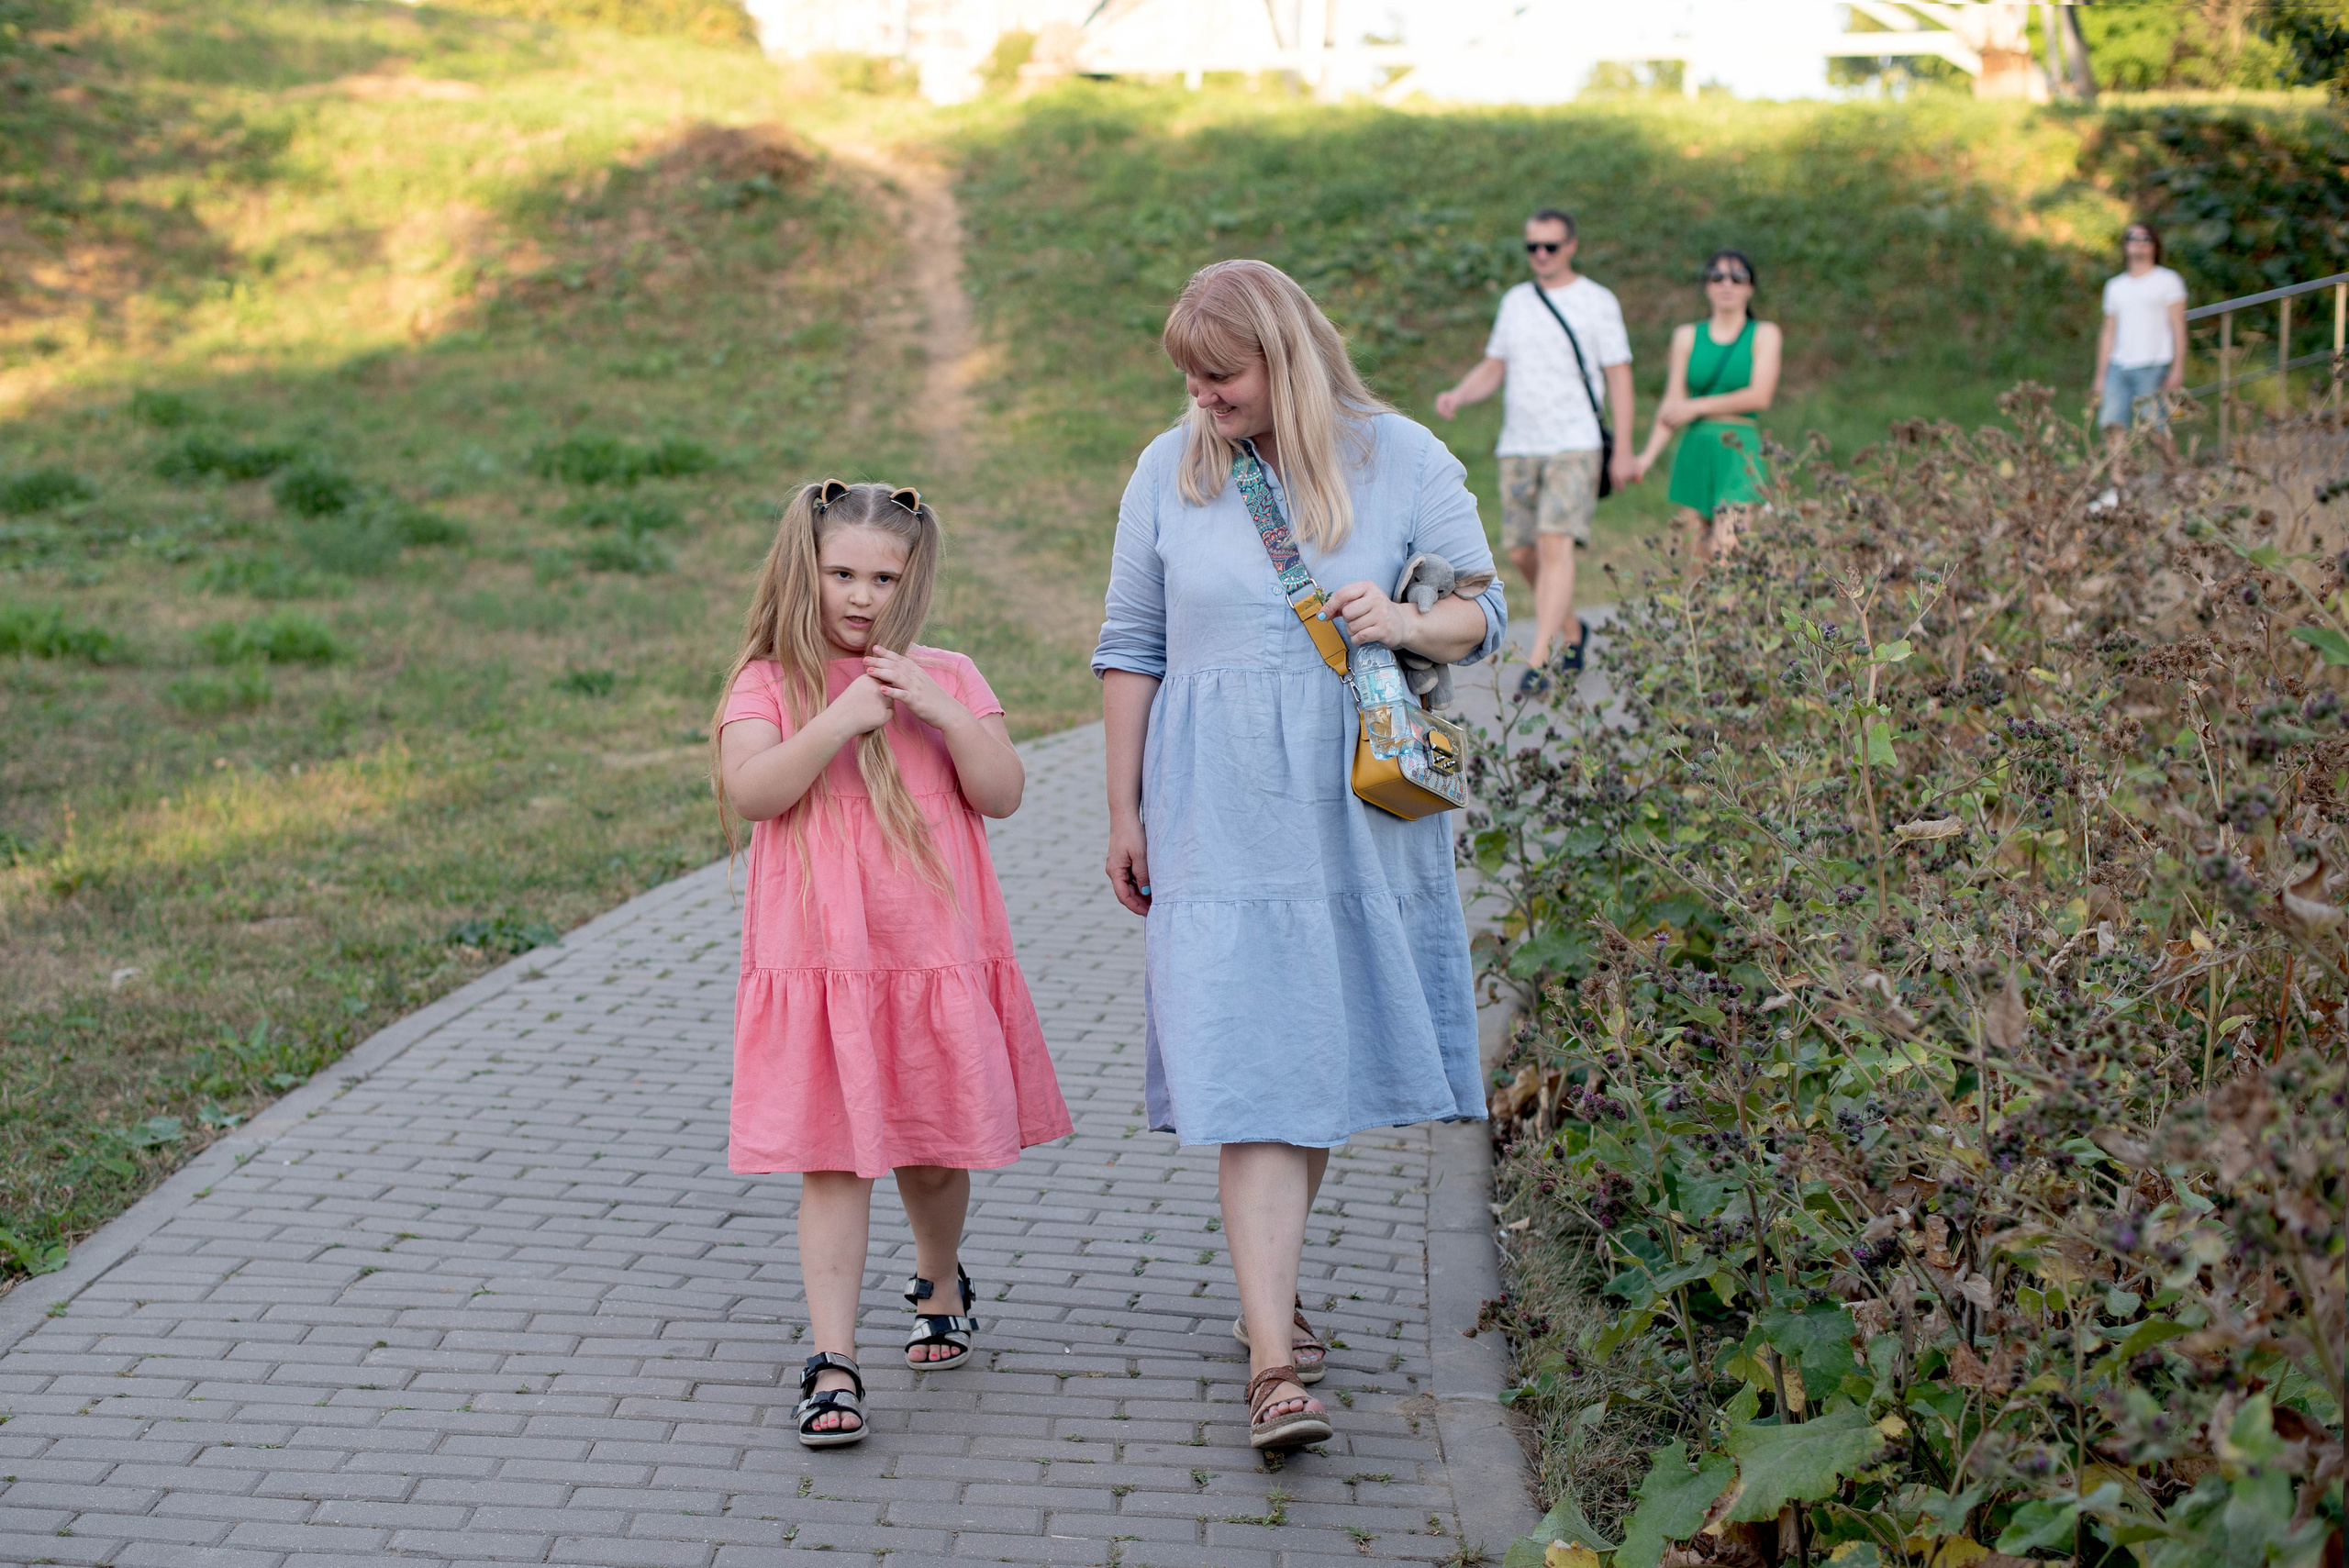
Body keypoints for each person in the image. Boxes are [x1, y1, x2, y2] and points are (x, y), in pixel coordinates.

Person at [1095, 260, 1505, 1451]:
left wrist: (1408, 619)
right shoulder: (1170, 467)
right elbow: (1130, 642)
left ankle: (1271, 1304)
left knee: (1303, 1052)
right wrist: (1120, 809)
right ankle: (1275, 1361)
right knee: (1251, 1063)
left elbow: (1486, 613)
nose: (1199, 394)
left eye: (1218, 374)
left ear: (1285, 359)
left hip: (1349, 805)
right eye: (1186, 373)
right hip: (1214, 804)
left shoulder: (1405, 458)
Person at [712, 480, 1073, 1450]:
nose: (861, 595)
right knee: (832, 1159)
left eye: (883, 575)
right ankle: (834, 1358)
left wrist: (939, 708)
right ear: (805, 567)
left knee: (931, 1150)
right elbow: (751, 790)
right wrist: (839, 720)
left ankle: (940, 1273)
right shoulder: (768, 680)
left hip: (927, 955)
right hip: (823, 963)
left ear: (912, 579)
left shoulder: (947, 670)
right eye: (841, 573)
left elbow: (1002, 791)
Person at [1436, 206, 1636, 694]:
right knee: (1522, 550)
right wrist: (1460, 393)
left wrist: (1625, 448)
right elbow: (1494, 365)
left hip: (1575, 442)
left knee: (1554, 542)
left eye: (1550, 246)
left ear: (1570, 247)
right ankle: (1572, 629)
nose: (1540, 256)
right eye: (1532, 247)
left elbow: (1619, 374)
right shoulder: (1516, 302)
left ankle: (1542, 655)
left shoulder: (1597, 301)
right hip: (1519, 444)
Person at [1633, 250, 1781, 564]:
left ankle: (1733, 613)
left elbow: (1760, 395)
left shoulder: (1764, 334)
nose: (1727, 284)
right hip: (1695, 450)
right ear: (1706, 285)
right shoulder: (1687, 336)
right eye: (1717, 277)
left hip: (1739, 449)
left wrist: (1697, 406)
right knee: (1697, 561)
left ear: (1750, 287)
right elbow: (1673, 404)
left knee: (1726, 552)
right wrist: (1646, 457)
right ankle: (1704, 615)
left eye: (1737, 277)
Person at [2092, 221, 2187, 497]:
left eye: (2146, 238)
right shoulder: (2115, 286)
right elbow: (2108, 331)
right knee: (2112, 427)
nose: (2139, 242)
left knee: (2155, 430)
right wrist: (2100, 375)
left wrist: (2178, 367)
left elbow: (2178, 326)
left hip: (2152, 364)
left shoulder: (2168, 280)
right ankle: (2117, 488)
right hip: (2119, 366)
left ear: (2155, 245)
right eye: (2133, 238)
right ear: (2125, 245)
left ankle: (2176, 478)